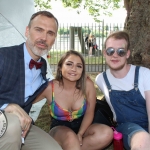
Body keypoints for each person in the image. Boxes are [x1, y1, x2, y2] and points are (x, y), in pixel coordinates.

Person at [0, 11, 62, 150]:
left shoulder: (42, 66)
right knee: (12, 126)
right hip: (7, 122)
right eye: (39, 30)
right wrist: (6, 106)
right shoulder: (3, 56)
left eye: (50, 33)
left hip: (22, 125)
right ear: (27, 31)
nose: (44, 38)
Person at [34, 50, 113, 150]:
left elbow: (89, 112)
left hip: (83, 125)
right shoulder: (50, 87)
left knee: (106, 133)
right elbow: (26, 101)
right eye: (69, 64)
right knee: (71, 138)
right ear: (60, 67)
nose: (74, 69)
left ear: (82, 71)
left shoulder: (87, 85)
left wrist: (80, 133)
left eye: (79, 66)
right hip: (59, 129)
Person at [95, 31, 150, 150]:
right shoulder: (101, 80)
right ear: (104, 53)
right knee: (143, 139)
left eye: (121, 51)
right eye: (110, 51)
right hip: (127, 128)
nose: (115, 55)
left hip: (147, 124)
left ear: (127, 54)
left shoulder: (144, 74)